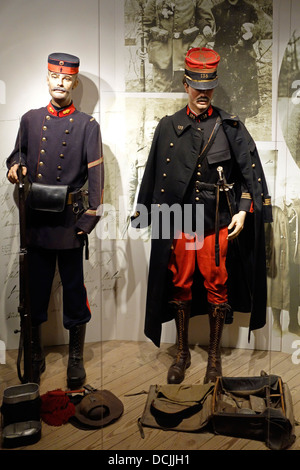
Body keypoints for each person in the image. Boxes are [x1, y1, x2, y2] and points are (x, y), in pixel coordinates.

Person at [132, 47, 272, 384]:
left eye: (209, 88)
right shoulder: (168, 127)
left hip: (216, 221)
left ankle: (213, 358)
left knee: (216, 285)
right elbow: (153, 173)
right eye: (197, 87)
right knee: (179, 283)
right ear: (185, 84)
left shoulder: (230, 127)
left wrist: (242, 211)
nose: (203, 94)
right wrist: (144, 215)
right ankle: (181, 352)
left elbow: (249, 176)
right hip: (180, 221)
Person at [7, 53, 104, 388]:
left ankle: (75, 357)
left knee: (74, 289)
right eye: (54, 77)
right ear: (47, 79)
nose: (60, 83)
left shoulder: (87, 125)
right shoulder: (30, 119)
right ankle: (34, 350)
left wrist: (89, 218)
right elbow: (18, 153)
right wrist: (15, 166)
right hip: (35, 219)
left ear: (74, 82)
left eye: (66, 79)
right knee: (35, 289)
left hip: (69, 221)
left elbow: (96, 177)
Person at [143, 0, 214, 92]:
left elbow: (208, 25)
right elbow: (145, 24)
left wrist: (195, 46)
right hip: (160, 51)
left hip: (186, 51)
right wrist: (145, 46)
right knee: (160, 93)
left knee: (183, 92)